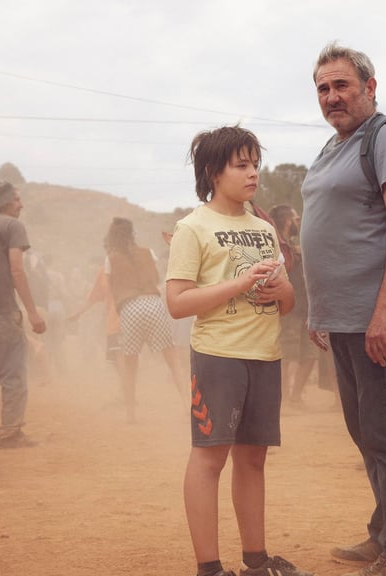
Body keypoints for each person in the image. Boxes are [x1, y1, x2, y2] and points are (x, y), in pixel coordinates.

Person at [300, 42, 386, 576]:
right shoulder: (335, 146)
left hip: (379, 318)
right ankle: (385, 534)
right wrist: (319, 311)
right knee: (365, 430)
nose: (332, 96)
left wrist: (385, 313)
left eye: (342, 85)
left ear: (370, 88)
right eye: (323, 88)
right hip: (345, 317)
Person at [166, 126, 309, 576]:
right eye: (241, 165)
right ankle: (209, 567)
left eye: (255, 164)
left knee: (253, 457)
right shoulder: (194, 228)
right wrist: (242, 282)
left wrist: (283, 291)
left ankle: (256, 560)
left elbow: (286, 305)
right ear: (214, 171)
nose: (252, 174)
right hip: (218, 357)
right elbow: (177, 303)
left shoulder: (263, 229)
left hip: (264, 356)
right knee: (210, 458)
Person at [75, 217, 186, 422]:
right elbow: (156, 278)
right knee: (173, 361)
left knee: (130, 365)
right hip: (153, 304)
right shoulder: (148, 252)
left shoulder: (111, 259)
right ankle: (188, 406)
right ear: (132, 233)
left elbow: (112, 287)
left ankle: (130, 414)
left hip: (129, 308)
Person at [0, 180, 46, 449]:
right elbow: (16, 271)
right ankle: (11, 433)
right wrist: (33, 313)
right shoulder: (13, 226)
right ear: (4, 202)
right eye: (16, 199)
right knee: (13, 374)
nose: (21, 204)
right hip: (3, 313)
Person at [268, 204, 318, 406]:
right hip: (288, 310)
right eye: (296, 219)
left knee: (310, 354)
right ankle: (283, 400)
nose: (298, 222)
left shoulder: (294, 247)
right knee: (286, 356)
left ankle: (294, 397)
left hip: (306, 308)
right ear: (288, 221)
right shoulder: (277, 245)